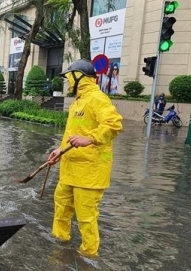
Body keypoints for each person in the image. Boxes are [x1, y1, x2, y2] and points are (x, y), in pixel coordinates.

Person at [47, 59, 123, 258]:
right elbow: (74, 134)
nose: (68, 81)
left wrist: (90, 139)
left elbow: (114, 125)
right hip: (69, 169)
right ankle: (59, 244)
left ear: (79, 76)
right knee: (61, 206)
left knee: (86, 216)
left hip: (90, 173)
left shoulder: (98, 98)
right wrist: (59, 151)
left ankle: (89, 256)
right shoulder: (78, 102)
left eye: (69, 77)